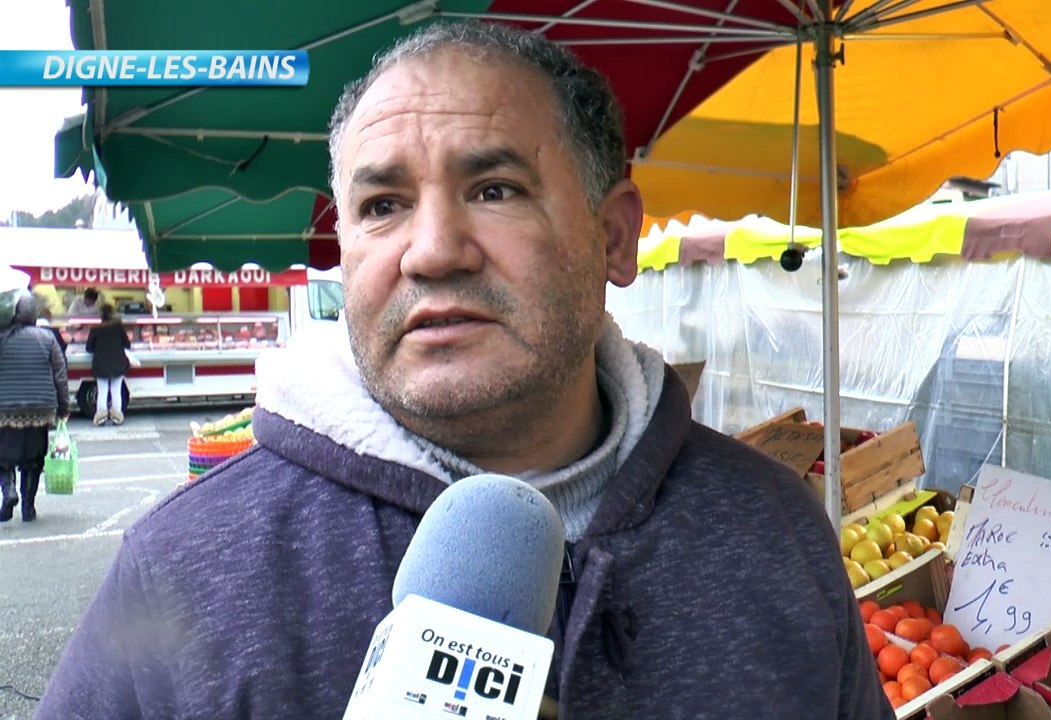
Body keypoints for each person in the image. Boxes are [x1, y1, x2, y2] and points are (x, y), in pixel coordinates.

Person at [37, 21, 891, 720]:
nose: (434, 251)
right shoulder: (184, 562)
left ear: (616, 237)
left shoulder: (776, 532)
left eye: (495, 189)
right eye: (382, 207)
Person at [0, 292, 70, 522]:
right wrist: (64, 406)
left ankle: (8, 491)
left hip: (6, 408)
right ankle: (28, 508)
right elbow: (60, 374)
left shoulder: (2, 337)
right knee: (34, 459)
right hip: (41, 408)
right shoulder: (47, 337)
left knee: (3, 456)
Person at [85, 302, 130, 426]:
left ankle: (101, 418)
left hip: (101, 365)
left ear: (101, 316)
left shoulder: (95, 329)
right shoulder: (119, 328)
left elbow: (88, 348)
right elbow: (127, 344)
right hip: (118, 363)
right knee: (116, 391)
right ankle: (117, 418)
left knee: (102, 391)